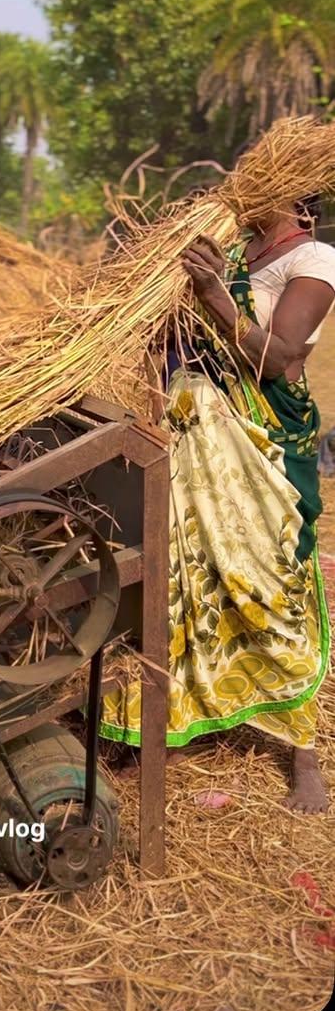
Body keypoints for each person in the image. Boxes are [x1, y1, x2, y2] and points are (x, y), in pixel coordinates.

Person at [101, 193, 335, 812]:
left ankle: (301, 747)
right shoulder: (227, 248)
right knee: (182, 574)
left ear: (296, 194)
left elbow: (280, 360)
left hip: (259, 440)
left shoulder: (314, 258)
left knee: (266, 577)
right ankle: (175, 720)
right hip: (190, 429)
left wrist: (214, 299)